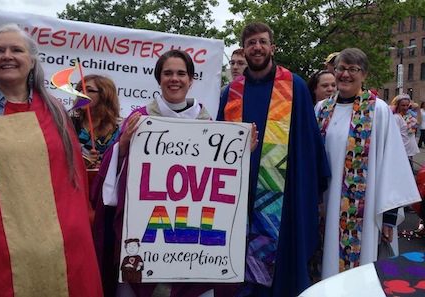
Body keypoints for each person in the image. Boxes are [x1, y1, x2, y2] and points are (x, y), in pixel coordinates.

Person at [0, 24, 102, 297]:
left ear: (31, 61)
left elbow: (69, 183)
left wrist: (74, 230)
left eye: (16, 49)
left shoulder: (54, 112)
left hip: (51, 245)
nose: (7, 56)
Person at [91, 49, 248, 297]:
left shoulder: (208, 124)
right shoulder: (139, 120)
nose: (174, 79)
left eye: (181, 73)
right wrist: (122, 146)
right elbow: (112, 177)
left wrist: (241, 153)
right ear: (159, 78)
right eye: (168, 73)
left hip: (192, 233)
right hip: (146, 233)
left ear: (191, 79)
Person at [217, 22, 330, 297]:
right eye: (251, 42)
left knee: (282, 271)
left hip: (283, 196)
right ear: (244, 49)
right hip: (239, 196)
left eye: (262, 42)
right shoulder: (231, 93)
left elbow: (308, 145)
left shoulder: (295, 87)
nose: (257, 47)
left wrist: (307, 193)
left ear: (272, 47)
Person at [315, 48, 420, 281]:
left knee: (356, 279)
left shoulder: (378, 110)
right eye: (341, 68)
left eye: (353, 69)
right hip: (324, 206)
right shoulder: (322, 109)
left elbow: (392, 165)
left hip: (363, 213)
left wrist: (389, 218)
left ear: (364, 75)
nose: (346, 74)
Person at [71, 74, 121, 169]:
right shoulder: (68, 124)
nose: (81, 93)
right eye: (80, 90)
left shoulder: (120, 130)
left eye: (89, 90)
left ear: (105, 95)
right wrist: (84, 162)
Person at [391, 94, 420, 165]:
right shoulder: (396, 118)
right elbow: (394, 136)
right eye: (403, 105)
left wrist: (418, 109)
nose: (405, 107)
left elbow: (418, 122)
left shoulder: (408, 116)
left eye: (407, 105)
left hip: (409, 151)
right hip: (402, 151)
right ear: (397, 105)